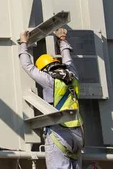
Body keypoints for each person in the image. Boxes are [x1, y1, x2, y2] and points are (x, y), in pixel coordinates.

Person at [18, 28, 84, 169]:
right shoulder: (73, 75)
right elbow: (68, 59)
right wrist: (62, 39)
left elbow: (27, 66)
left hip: (59, 133)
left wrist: (23, 43)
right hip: (78, 134)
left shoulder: (49, 80)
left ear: (44, 68)